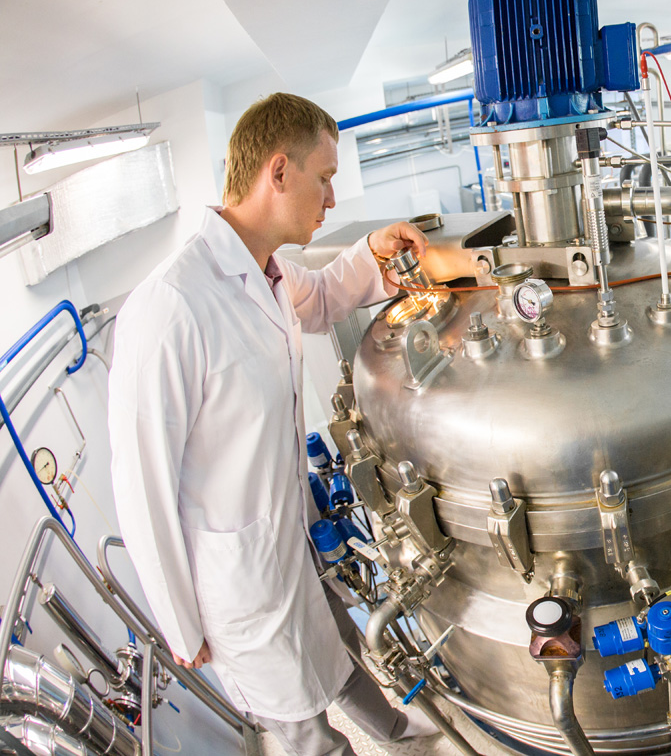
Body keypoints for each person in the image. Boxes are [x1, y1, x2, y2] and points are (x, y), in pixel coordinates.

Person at [109, 93, 438, 756]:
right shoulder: (170, 305)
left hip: (292, 534)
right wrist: (180, 624)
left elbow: (321, 296)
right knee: (303, 731)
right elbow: (142, 484)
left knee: (337, 648)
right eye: (325, 178)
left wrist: (372, 252)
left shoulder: (268, 270)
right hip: (237, 579)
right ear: (279, 171)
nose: (332, 199)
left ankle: (401, 733)